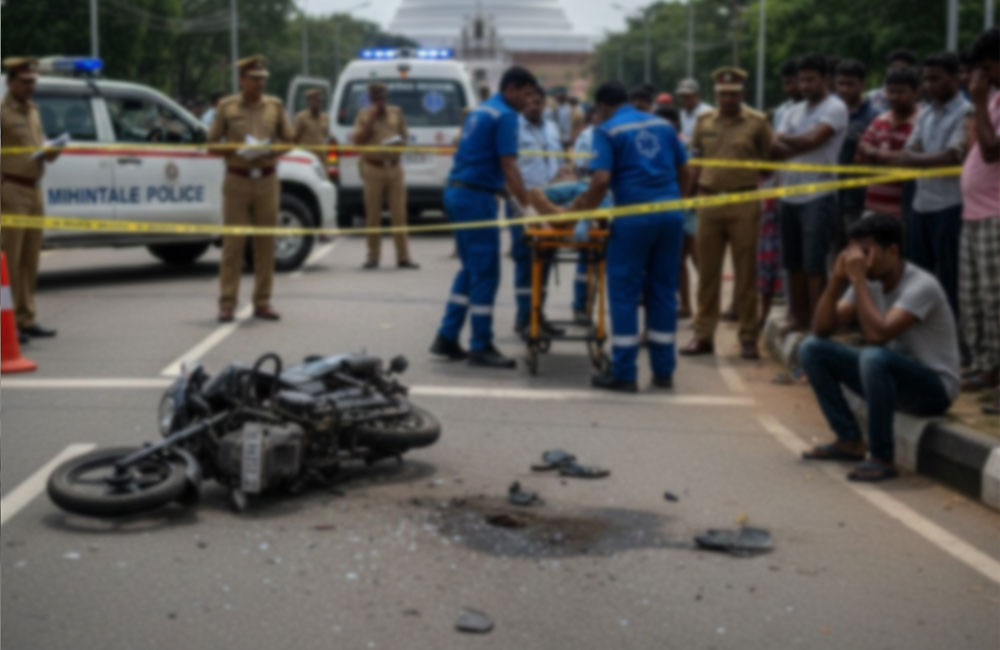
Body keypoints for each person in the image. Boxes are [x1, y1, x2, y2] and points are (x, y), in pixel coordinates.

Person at [799, 215, 960, 482]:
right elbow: (822, 329)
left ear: (893, 251)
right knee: (811, 348)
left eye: (866, 251)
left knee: (874, 357)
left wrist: (858, 280)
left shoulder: (921, 285)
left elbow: (878, 334)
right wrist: (838, 281)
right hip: (890, 377)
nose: (858, 260)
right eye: (853, 252)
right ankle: (849, 440)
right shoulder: (869, 281)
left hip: (933, 388)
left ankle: (881, 456)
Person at [568, 81, 690, 392]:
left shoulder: (607, 130)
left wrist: (585, 217)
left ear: (603, 107)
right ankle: (664, 372)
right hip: (671, 216)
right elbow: (686, 169)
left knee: (624, 294)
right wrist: (680, 203)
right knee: (663, 292)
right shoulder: (663, 125)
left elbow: (601, 179)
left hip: (634, 217)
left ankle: (624, 373)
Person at [429, 66, 540, 369]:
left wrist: (507, 196)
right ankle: (481, 345)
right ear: (512, 89)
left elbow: (485, 160)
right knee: (486, 273)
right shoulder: (505, 116)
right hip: (475, 199)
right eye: (527, 94)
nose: (529, 101)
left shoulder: (481, 111)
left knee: (470, 270)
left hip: (459, 191)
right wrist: (527, 206)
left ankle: (447, 336)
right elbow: (509, 165)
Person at [681, 68, 773, 360]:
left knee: (746, 273)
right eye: (722, 94)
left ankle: (748, 337)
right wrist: (688, 198)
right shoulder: (703, 121)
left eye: (733, 94)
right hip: (708, 201)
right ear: (716, 95)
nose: (727, 99)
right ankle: (703, 334)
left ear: (742, 95)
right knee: (708, 273)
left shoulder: (757, 122)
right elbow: (695, 161)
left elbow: (768, 163)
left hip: (744, 201)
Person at [879, 52, 970, 319]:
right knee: (919, 275)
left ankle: (953, 338)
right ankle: (921, 334)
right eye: (927, 79)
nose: (930, 85)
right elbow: (908, 154)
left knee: (950, 276)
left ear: (955, 78)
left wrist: (918, 158)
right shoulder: (927, 112)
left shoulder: (966, 112)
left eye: (936, 79)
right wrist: (925, 159)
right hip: (921, 205)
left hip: (950, 205)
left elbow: (952, 156)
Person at [208, 55, 292, 323]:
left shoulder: (275, 106)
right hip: (238, 178)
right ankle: (227, 303)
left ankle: (263, 301)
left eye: (262, 79)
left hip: (267, 179)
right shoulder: (226, 107)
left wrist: (270, 149)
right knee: (233, 243)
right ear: (241, 80)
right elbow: (212, 144)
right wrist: (237, 149)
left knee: (265, 243)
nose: (260, 84)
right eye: (254, 79)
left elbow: (289, 140)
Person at [772, 53, 849, 333]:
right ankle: (798, 316)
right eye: (801, 79)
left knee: (814, 263)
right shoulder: (793, 111)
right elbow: (776, 148)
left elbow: (814, 139)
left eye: (810, 79)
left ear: (825, 79)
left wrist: (786, 140)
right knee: (792, 262)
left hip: (819, 195)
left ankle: (820, 320)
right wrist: (795, 142)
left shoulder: (835, 107)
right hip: (789, 194)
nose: (804, 85)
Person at [0, 57, 63, 343]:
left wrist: (50, 150)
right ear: (10, 81)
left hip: (35, 189)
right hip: (11, 190)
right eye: (25, 82)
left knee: (30, 259)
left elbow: (38, 144)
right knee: (10, 261)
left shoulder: (34, 110)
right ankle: (8, 322)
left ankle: (27, 318)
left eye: (33, 82)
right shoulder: (3, 113)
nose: (30, 87)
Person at [959, 27, 1000, 395]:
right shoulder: (992, 98)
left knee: (996, 298)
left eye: (988, 68)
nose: (982, 77)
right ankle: (985, 365)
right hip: (974, 212)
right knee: (974, 299)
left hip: (996, 213)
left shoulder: (985, 98)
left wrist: (977, 102)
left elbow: (991, 150)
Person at [511, 85, 562, 336]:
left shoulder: (552, 128)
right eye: (529, 101)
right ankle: (523, 318)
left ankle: (538, 315)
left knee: (546, 262)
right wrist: (523, 206)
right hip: (524, 204)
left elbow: (559, 161)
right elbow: (508, 167)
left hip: (549, 203)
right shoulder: (513, 127)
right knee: (525, 260)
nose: (534, 106)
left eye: (538, 102)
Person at [352, 83, 418, 270]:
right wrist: (371, 120)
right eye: (375, 96)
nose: (379, 99)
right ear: (370, 98)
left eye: (382, 95)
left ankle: (403, 257)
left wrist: (398, 143)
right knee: (373, 214)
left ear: (386, 97)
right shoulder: (363, 115)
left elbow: (405, 137)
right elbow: (357, 140)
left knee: (399, 214)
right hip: (373, 168)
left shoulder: (396, 112)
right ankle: (373, 257)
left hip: (394, 168)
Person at [854, 66, 920, 218]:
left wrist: (876, 154)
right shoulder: (880, 120)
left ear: (916, 92)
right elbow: (860, 154)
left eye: (901, 92)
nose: (895, 97)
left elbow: (913, 159)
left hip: (906, 209)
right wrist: (882, 155)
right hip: (873, 207)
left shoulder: (921, 122)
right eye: (890, 91)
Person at [655, 105, 695, 320]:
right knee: (676, 261)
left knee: (689, 259)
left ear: (676, 124)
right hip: (665, 206)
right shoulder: (653, 142)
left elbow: (690, 172)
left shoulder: (684, 142)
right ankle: (681, 304)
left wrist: (682, 201)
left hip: (685, 207)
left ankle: (688, 305)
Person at [834, 59, 879, 248]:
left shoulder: (874, 116)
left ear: (862, 85)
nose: (844, 89)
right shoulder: (830, 113)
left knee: (859, 249)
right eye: (841, 84)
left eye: (850, 84)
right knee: (833, 252)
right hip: (830, 194)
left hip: (859, 197)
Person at [866, 49, 918, 114]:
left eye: (903, 69)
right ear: (887, 69)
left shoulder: (919, 97)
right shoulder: (872, 96)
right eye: (894, 68)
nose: (898, 72)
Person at [293, 88, 329, 165]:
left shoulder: (325, 117)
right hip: (306, 160)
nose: (316, 102)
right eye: (313, 100)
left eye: (318, 100)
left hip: (321, 160)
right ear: (308, 101)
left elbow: (327, 137)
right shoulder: (301, 117)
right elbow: (294, 139)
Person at [675, 78, 713, 143]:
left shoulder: (708, 112)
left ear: (697, 95)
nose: (684, 99)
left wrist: (685, 139)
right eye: (682, 96)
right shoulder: (681, 113)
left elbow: (710, 139)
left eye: (687, 96)